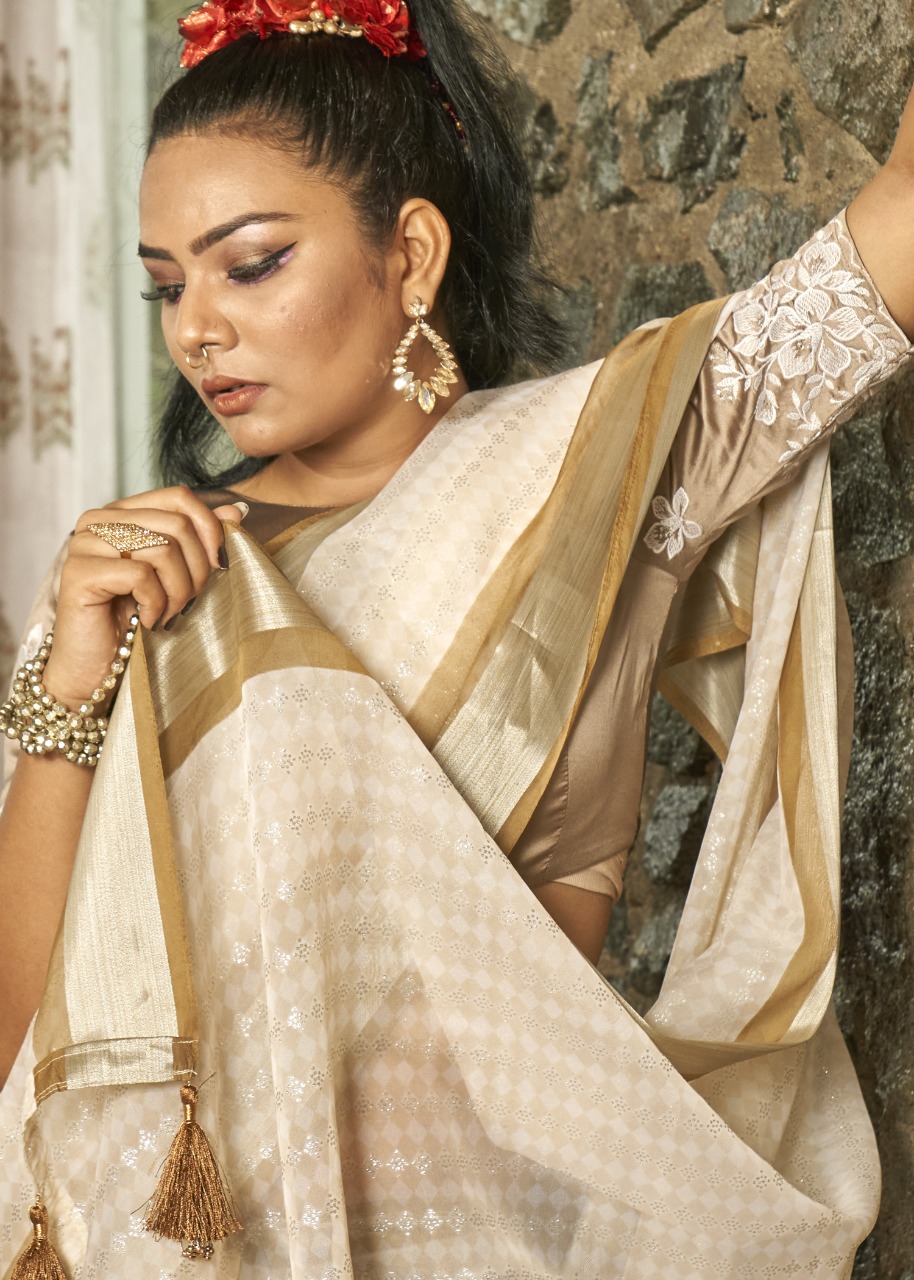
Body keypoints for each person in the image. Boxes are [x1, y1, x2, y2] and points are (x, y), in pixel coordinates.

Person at [1, 0, 913, 1274]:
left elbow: (888, 238)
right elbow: (22, 1045)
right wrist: (68, 680)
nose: (194, 327)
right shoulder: (151, 577)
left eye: (249, 263)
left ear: (411, 254)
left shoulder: (595, 474)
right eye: (166, 283)